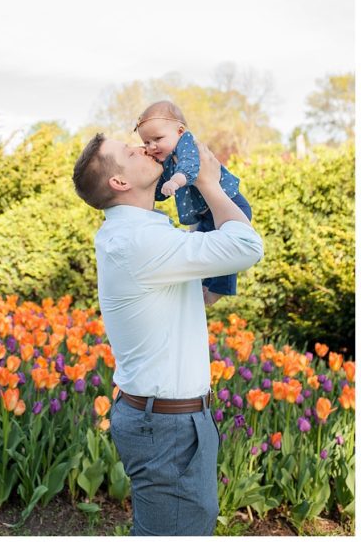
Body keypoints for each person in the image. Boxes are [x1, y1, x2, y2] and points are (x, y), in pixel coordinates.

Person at [72, 133, 263, 535]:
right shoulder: (140, 240)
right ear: (119, 183)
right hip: (166, 427)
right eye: (130, 151)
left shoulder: (135, 235)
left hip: (163, 420)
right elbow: (246, 246)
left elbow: (185, 287)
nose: (142, 147)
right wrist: (208, 183)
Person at [134, 100, 253, 303]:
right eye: (146, 142)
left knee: (226, 252)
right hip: (206, 214)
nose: (152, 146)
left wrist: (174, 181)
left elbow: (189, 169)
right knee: (202, 254)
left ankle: (219, 290)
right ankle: (205, 288)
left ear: (180, 131)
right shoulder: (167, 158)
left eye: (157, 139)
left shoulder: (186, 144)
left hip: (231, 205)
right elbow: (162, 191)